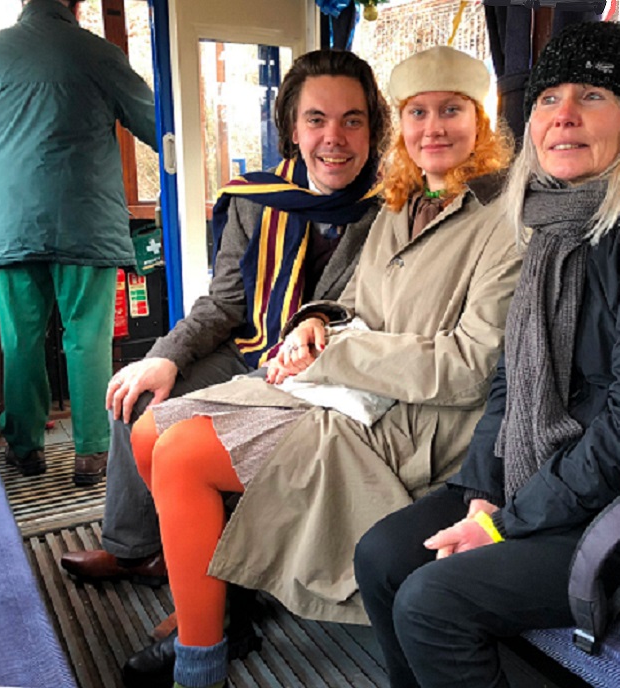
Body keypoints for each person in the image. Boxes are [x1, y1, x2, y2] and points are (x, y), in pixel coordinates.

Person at [353, 21, 620, 688]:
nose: (563, 115)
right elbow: (511, 381)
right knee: (383, 556)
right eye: (547, 98)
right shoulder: (554, 223)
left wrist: (508, 523)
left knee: (432, 601)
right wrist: (485, 494)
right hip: (551, 480)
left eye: (592, 96)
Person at [124, 45, 519, 688]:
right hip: (346, 388)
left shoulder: (505, 223)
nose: (433, 128)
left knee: (182, 456)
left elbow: (472, 367)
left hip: (415, 422)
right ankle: (223, 606)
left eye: (452, 111)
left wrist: (339, 351)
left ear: (481, 121)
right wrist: (316, 320)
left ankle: (202, 660)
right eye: (418, 112)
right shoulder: (400, 202)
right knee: (149, 432)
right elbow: (352, 301)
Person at [59, 49, 390, 591]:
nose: (334, 137)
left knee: (196, 441)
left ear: (372, 129)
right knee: (137, 395)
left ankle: (216, 582)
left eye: (352, 120)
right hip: (251, 347)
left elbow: (376, 314)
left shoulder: (394, 207)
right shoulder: (257, 199)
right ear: (293, 128)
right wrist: (165, 357)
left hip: (323, 372)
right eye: (316, 119)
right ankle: (134, 550)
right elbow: (224, 304)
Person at [0, 0, 158, 483]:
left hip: (11, 221)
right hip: (85, 217)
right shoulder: (98, 53)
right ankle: (93, 452)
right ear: (76, 5)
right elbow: (155, 122)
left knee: (20, 339)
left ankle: (24, 449)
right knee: (87, 336)